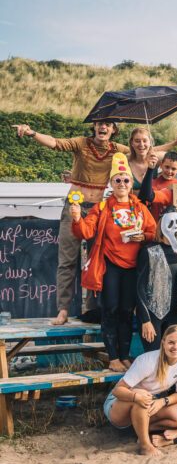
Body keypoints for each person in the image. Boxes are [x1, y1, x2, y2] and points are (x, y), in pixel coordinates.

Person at [14, 121, 128, 325]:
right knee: (67, 260)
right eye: (100, 124)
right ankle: (63, 311)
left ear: (113, 130)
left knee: (97, 259)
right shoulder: (81, 143)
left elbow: (145, 149)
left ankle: (94, 309)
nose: (103, 128)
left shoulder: (117, 150)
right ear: (94, 127)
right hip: (74, 205)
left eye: (108, 125)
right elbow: (55, 143)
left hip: (98, 209)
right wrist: (32, 133)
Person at [71, 153, 157, 372]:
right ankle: (113, 357)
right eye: (117, 180)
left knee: (128, 310)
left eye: (125, 180)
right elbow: (86, 231)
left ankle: (125, 355)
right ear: (111, 183)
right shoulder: (101, 208)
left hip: (133, 267)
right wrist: (76, 218)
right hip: (109, 265)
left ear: (130, 184)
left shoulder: (139, 207)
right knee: (110, 309)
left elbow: (152, 231)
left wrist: (143, 237)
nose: (121, 183)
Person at [103, 325, 177, 456]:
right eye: (171, 342)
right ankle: (146, 446)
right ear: (163, 343)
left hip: (148, 401)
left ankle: (142, 429)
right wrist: (136, 397)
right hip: (119, 405)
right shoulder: (148, 360)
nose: (175, 347)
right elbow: (118, 391)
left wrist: (162, 402)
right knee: (143, 395)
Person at [136, 206, 177, 352]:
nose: (175, 228)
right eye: (170, 224)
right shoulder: (149, 251)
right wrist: (145, 320)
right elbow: (139, 287)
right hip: (154, 313)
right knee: (154, 356)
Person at [127, 127, 177, 193]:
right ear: (132, 143)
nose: (141, 144)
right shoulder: (125, 161)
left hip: (155, 201)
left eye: (145, 141)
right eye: (137, 141)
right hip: (132, 202)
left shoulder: (155, 157)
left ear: (150, 142)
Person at [148, 151, 177, 221]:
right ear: (161, 165)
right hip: (157, 225)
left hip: (176, 227)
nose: (169, 171)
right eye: (167, 167)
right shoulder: (152, 184)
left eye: (173, 169)